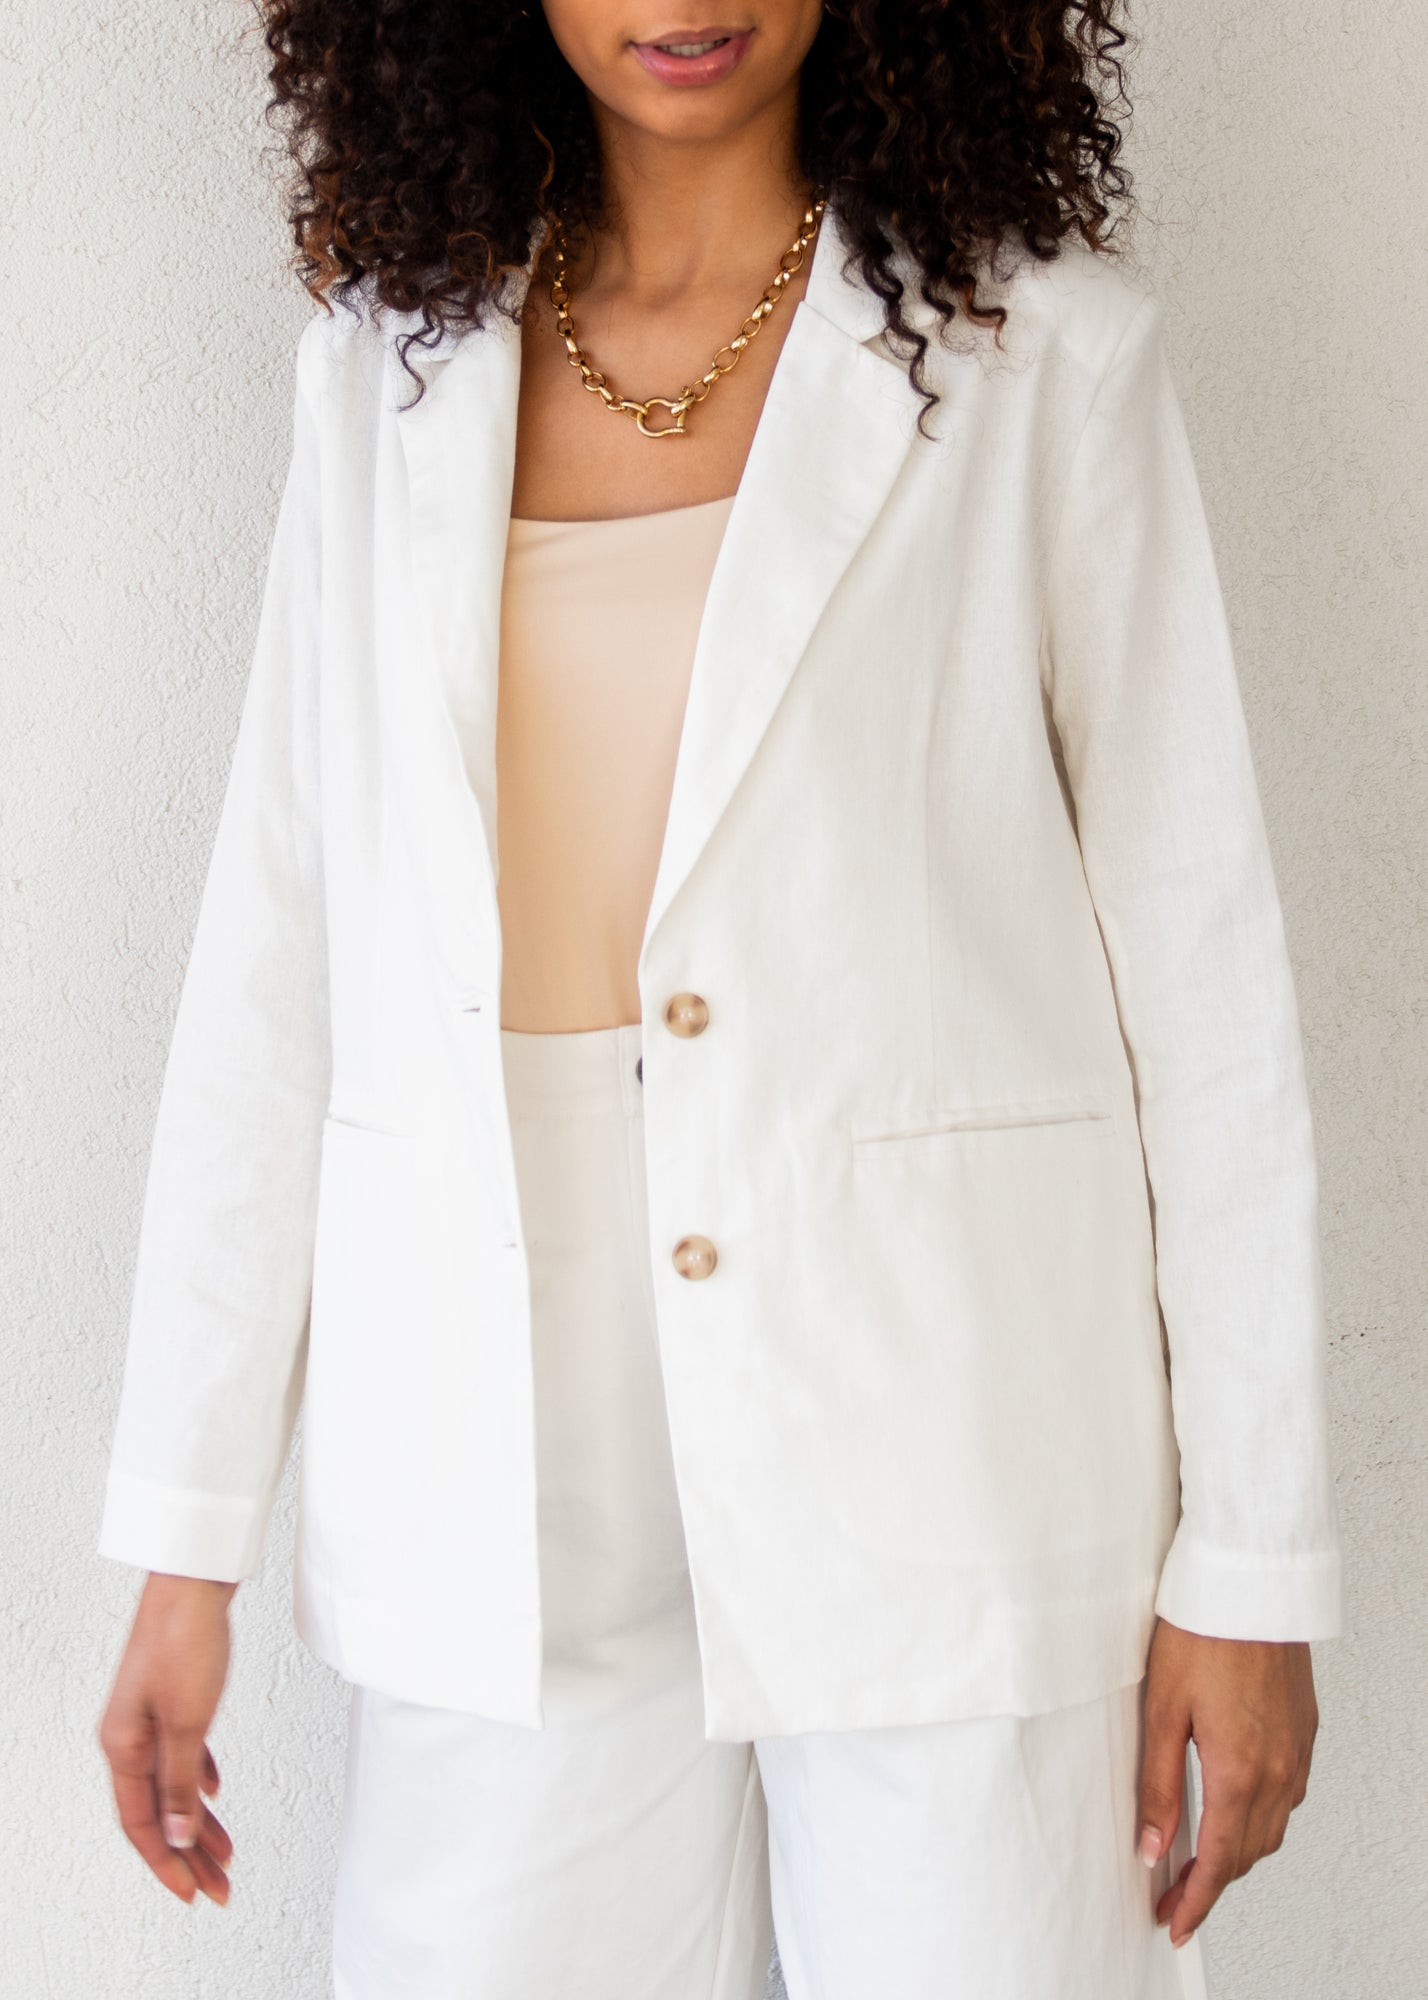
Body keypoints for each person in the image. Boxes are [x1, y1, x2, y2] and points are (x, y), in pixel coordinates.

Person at [95, 4, 1343, 1995]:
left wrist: (1253, 1562)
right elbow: (278, 960)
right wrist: (187, 1536)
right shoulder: (382, 375)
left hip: (948, 1433)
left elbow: (1205, 984)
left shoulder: (1042, 356)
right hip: (503, 1467)